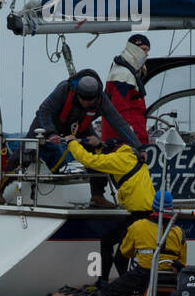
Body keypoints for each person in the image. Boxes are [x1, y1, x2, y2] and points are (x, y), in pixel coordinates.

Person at [30, 69, 141, 207]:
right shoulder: (64, 90)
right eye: (83, 100)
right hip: (49, 124)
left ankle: (97, 195)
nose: (86, 104)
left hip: (80, 126)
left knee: (98, 151)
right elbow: (43, 110)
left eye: (90, 101)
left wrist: (139, 147)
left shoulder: (101, 99)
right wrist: (51, 133)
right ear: (77, 93)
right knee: (25, 149)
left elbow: (118, 123)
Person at [63, 135, 154, 282]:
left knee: (119, 257)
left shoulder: (119, 159)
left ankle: (127, 289)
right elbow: (103, 158)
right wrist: (98, 145)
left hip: (140, 215)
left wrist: (72, 142)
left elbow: (89, 160)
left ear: (113, 151)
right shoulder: (131, 156)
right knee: (108, 243)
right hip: (142, 213)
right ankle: (104, 282)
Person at [96, 190, 185, 296]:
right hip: (170, 279)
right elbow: (182, 261)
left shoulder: (138, 226)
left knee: (106, 294)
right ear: (171, 208)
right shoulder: (179, 232)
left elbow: (125, 252)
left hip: (143, 275)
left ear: (153, 206)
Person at [105, 34, 151, 145]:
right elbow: (120, 112)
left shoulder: (130, 73)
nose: (146, 54)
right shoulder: (123, 75)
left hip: (134, 137)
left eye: (147, 50)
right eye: (144, 49)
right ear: (134, 49)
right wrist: (131, 139)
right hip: (125, 141)